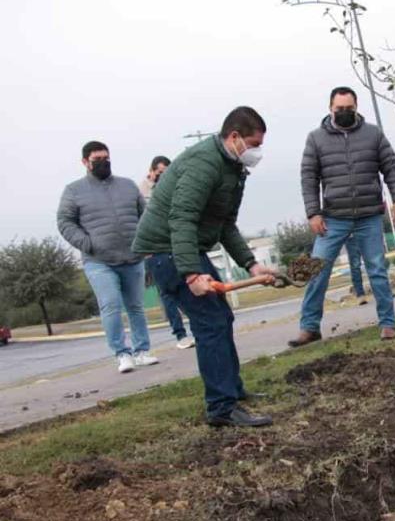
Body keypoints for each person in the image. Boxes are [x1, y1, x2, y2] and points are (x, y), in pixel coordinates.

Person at [134, 106, 277, 428]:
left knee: (221, 317)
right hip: (168, 251)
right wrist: (191, 274)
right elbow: (181, 218)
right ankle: (221, 408)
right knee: (210, 323)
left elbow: (225, 225)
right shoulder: (204, 164)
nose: (256, 152)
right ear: (234, 136)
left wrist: (252, 265)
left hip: (185, 249)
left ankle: (232, 391)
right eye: (254, 144)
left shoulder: (232, 169)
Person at [290, 86, 395, 347]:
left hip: (369, 214)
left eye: (349, 109)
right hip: (333, 217)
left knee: (377, 269)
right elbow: (309, 178)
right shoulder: (315, 139)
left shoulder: (373, 134)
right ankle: (309, 327)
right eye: (339, 109)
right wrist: (313, 212)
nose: (344, 112)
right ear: (330, 109)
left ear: (356, 107)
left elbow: (391, 167)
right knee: (317, 270)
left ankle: (388, 323)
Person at [58, 141, 159, 373]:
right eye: (97, 160)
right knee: (111, 305)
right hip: (99, 262)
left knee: (136, 307)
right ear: (85, 162)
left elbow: (144, 215)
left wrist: (145, 243)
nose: (103, 163)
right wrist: (88, 244)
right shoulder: (73, 191)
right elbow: (64, 222)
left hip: (133, 258)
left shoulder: (128, 186)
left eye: (106, 158)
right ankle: (122, 354)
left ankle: (142, 351)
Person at [140, 155, 195, 350]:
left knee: (189, 286)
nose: (163, 176)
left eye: (167, 173)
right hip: (155, 250)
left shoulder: (175, 188)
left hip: (175, 244)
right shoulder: (141, 193)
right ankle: (180, 334)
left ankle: (198, 328)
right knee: (167, 294)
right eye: (160, 173)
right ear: (152, 171)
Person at [345, 237, 369, 307]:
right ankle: (360, 295)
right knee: (355, 265)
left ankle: (383, 290)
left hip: (367, 233)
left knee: (374, 262)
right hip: (351, 236)